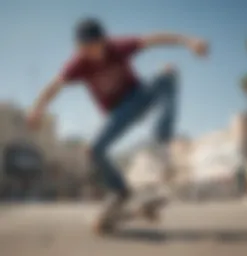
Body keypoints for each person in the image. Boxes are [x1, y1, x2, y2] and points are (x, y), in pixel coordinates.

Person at [27, 17, 209, 233]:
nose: (93, 53)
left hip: (139, 97)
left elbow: (154, 39)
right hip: (117, 114)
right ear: (78, 47)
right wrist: (37, 108)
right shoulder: (77, 63)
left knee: (168, 75)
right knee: (94, 150)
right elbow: (54, 85)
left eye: (96, 47)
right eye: (86, 49)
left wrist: (188, 41)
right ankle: (121, 191)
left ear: (104, 41)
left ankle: (162, 141)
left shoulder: (118, 47)